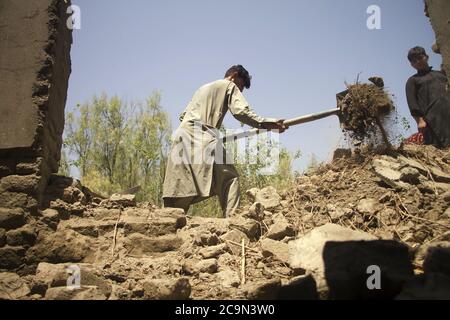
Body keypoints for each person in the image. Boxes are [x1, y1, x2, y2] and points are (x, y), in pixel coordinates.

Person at [162, 65, 286, 217]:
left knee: (180, 189)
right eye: (240, 86)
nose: (239, 91)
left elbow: (183, 115)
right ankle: (232, 221)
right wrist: (265, 123)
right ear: (234, 76)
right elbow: (241, 111)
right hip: (202, 135)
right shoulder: (229, 85)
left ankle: (168, 223)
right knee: (229, 178)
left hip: (181, 137)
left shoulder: (202, 89)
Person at [405, 46, 450, 148]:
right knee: (443, 145)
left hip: (448, 113)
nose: (418, 62)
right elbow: (412, 103)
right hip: (432, 119)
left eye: (420, 58)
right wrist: (419, 121)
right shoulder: (413, 80)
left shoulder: (441, 74)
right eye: (414, 61)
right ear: (411, 64)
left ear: (427, 57)